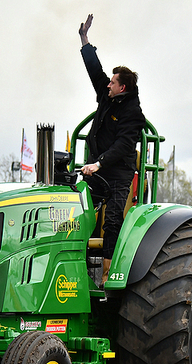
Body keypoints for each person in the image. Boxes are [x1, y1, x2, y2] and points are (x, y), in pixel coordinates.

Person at [79, 14, 146, 284]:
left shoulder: (133, 112)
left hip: (118, 173)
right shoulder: (107, 95)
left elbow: (124, 145)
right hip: (97, 168)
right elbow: (96, 71)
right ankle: (78, 268)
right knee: (79, 212)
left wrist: (100, 163)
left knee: (114, 220)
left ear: (123, 88)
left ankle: (108, 274)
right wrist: (85, 40)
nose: (108, 84)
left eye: (113, 82)